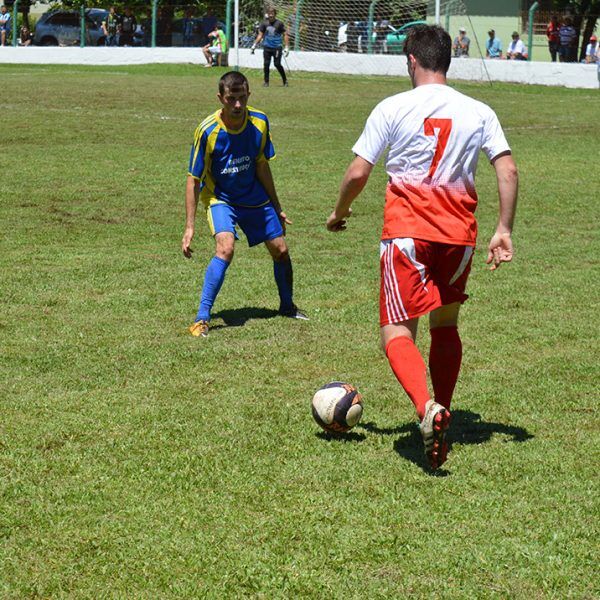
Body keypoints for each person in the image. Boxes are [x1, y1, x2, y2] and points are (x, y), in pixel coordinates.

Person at [326, 25, 518, 470]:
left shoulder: (393, 106)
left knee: (396, 331)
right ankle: (443, 408)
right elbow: (507, 171)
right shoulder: (479, 111)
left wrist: (339, 212)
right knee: (445, 324)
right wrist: (504, 228)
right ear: (447, 60)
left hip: (408, 234)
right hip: (459, 237)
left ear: (411, 60)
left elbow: (358, 174)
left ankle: (426, 408)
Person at [182, 71, 307, 337]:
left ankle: (287, 307)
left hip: (253, 195)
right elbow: (193, 180)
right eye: (231, 99)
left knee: (281, 250)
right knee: (225, 248)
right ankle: (202, 318)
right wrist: (189, 227)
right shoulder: (207, 131)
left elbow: (262, 166)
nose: (237, 105)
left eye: (242, 98)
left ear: (248, 95)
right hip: (220, 198)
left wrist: (276, 205)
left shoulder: (260, 122)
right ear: (221, 98)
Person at [251, 7, 289, 87]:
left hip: (277, 47)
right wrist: (254, 45)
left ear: (275, 14)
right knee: (266, 64)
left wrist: (286, 47)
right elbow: (260, 35)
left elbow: (285, 34)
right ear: (267, 14)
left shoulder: (279, 23)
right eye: (269, 13)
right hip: (267, 47)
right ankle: (266, 82)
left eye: (272, 13)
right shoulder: (264, 23)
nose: (271, 15)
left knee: (277, 64)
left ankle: (285, 81)